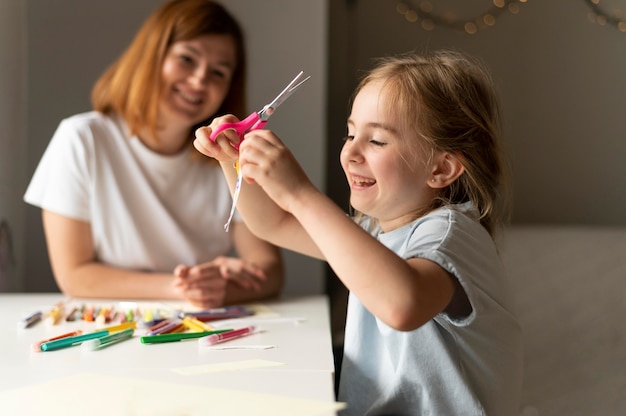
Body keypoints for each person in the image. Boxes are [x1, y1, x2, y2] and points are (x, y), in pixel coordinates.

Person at [194, 50, 523, 414]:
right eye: (350, 134)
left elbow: (402, 304)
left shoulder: (451, 235)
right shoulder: (374, 232)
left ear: (442, 169)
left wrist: (300, 194)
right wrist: (232, 158)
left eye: (377, 141)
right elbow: (272, 223)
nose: (350, 152)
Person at [23, 0, 284, 309]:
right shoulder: (81, 139)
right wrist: (184, 289)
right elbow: (74, 275)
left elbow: (270, 269)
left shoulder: (227, 156)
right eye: (187, 59)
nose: (200, 79)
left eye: (218, 72)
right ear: (152, 56)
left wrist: (219, 290)